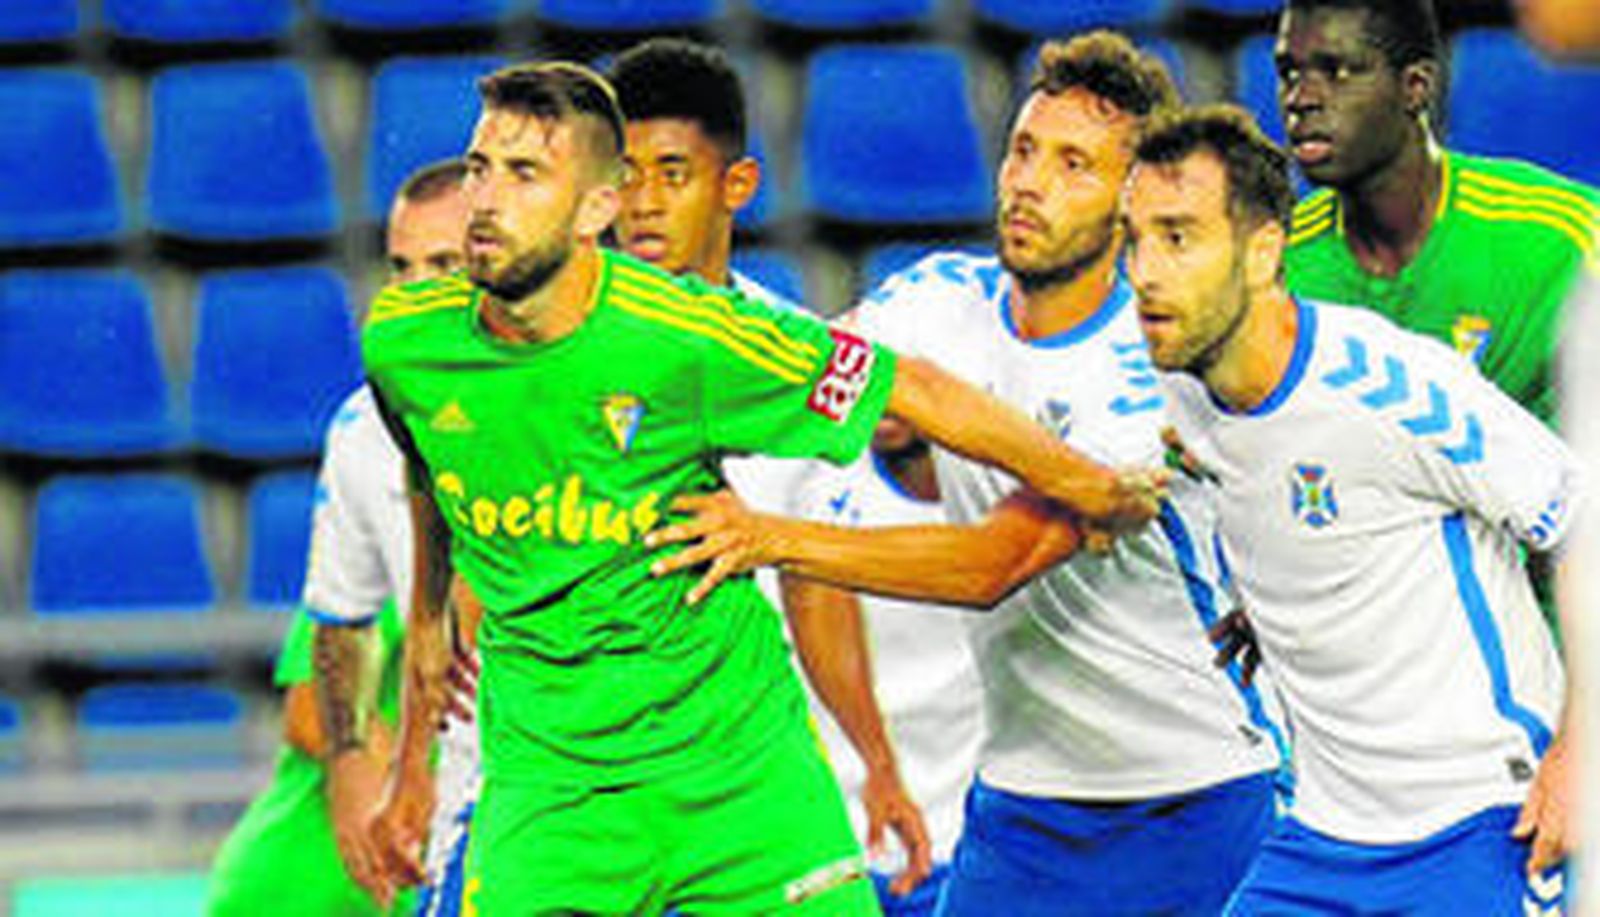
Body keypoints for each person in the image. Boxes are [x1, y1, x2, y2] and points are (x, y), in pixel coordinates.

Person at [360, 61, 1159, 916]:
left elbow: (910, 390)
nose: (485, 200)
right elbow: (431, 466)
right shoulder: (405, 342)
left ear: (599, 207)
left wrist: (1090, 484)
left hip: (737, 776)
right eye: (481, 167)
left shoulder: (693, 336)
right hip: (550, 790)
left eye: (525, 175)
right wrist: (427, 629)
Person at [652, 33, 1285, 917]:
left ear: (1129, 203)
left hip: (1197, 795)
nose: (1029, 181)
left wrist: (770, 538)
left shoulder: (1150, 370)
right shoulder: (932, 298)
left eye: (1075, 165)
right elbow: (796, 381)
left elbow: (994, 563)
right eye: (1024, 149)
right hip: (1023, 806)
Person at [1124, 103, 1576, 912]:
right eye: (1136, 239)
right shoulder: (1180, 387)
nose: (1145, 271)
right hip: (1324, 836)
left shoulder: (1397, 387)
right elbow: (1288, 493)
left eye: (1179, 237)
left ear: (1265, 251)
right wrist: (1282, 593)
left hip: (1482, 820)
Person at [609, 37, 967, 911]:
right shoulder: (547, 351)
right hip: (594, 778)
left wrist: (876, 763)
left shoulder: (802, 357)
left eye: (672, 173)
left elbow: (815, 585)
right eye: (625, 175)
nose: (644, 205)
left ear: (736, 186)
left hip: (751, 783)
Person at [206, 160, 469, 916]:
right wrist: (404, 791)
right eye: (401, 268)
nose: (414, 292)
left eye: (444, 265)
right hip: (309, 888)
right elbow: (313, 704)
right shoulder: (366, 439)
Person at [1277, 0, 1598, 429]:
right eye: (1288, 74)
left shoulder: (1564, 235)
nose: (1301, 99)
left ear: (1415, 86)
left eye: (1336, 71)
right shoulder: (1276, 263)